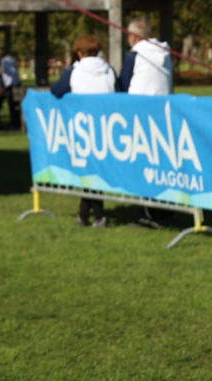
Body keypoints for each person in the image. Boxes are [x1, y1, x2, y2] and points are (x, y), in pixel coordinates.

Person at [51, 34, 121, 227]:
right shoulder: (110, 71)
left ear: (79, 53)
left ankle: (93, 216)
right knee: (94, 172)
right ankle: (87, 215)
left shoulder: (74, 71)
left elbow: (56, 90)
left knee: (89, 173)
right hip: (106, 128)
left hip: (81, 128)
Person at [119, 18, 174, 225]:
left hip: (139, 118)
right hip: (164, 115)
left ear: (133, 36)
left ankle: (151, 214)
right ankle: (165, 210)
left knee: (144, 166)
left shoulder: (134, 55)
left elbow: (124, 84)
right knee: (162, 165)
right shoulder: (165, 52)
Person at [0, 50, 22, 130]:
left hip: (10, 85)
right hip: (16, 83)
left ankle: (14, 124)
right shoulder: (11, 59)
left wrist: (5, 87)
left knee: (12, 105)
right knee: (16, 105)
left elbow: (9, 73)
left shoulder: (4, 61)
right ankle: (17, 123)